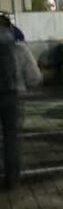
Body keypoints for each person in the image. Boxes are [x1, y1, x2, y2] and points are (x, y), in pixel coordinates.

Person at [0, 15, 42, 189]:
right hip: (13, 97)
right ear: (10, 29)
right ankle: (13, 179)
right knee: (12, 139)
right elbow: (34, 77)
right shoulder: (20, 49)